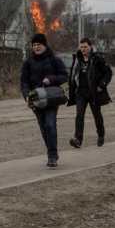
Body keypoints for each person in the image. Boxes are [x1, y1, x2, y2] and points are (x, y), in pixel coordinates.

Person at [20, 33, 68, 168]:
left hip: (51, 98)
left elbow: (64, 77)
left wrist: (51, 79)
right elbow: (24, 82)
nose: (36, 47)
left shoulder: (54, 60)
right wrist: (27, 95)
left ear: (45, 45)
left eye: (38, 44)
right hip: (35, 99)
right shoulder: (28, 63)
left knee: (50, 125)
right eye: (34, 45)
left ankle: (52, 156)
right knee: (43, 128)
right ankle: (51, 152)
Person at [68, 37, 112, 148]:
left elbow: (108, 73)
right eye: (81, 47)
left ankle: (101, 135)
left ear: (90, 47)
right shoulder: (77, 59)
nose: (83, 49)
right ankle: (78, 139)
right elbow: (72, 75)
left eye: (85, 47)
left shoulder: (97, 59)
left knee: (96, 115)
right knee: (79, 115)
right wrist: (69, 88)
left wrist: (102, 85)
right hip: (80, 93)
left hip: (93, 93)